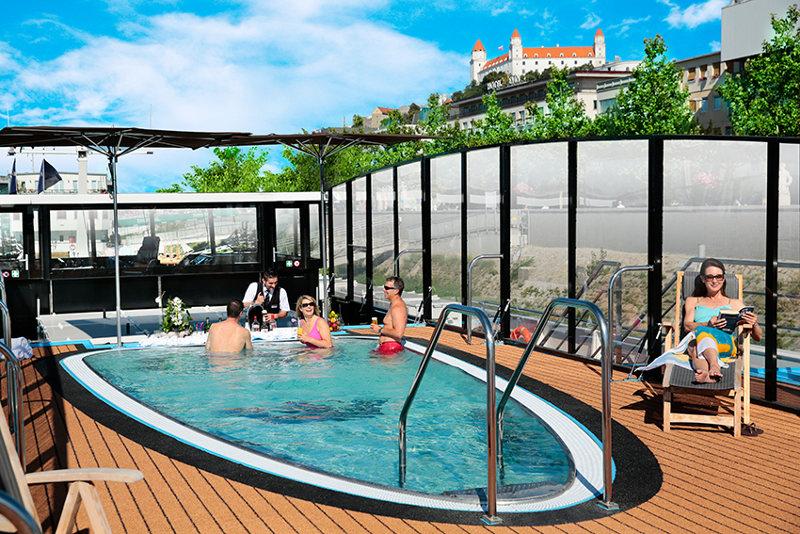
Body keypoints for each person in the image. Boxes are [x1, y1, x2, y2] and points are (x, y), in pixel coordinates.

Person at [683, 258, 762, 383]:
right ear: (703, 279)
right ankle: (709, 373)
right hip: (698, 341)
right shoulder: (693, 301)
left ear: (723, 278)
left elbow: (758, 337)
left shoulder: (735, 304)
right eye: (710, 277)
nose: (715, 281)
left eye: (718, 277)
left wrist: (754, 323)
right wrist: (708, 324)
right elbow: (687, 326)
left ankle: (712, 367)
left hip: (724, 344)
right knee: (698, 339)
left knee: (700, 339)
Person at [370, 276, 408, 355]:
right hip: (387, 347)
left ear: (396, 291)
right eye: (384, 287)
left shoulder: (398, 307)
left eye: (387, 288)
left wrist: (380, 330)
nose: (384, 290)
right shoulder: (393, 305)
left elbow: (399, 334)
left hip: (391, 348)